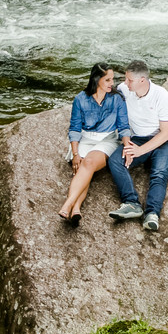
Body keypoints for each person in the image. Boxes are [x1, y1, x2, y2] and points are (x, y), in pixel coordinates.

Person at [106, 60, 168, 232]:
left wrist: (139, 151)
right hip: (138, 137)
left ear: (142, 80)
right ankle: (131, 203)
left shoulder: (162, 97)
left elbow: (165, 133)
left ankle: (152, 214)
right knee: (115, 160)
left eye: (129, 80)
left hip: (164, 141)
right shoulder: (125, 89)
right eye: (125, 79)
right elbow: (103, 93)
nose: (125, 83)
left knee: (159, 174)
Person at [61, 63, 131, 226]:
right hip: (85, 139)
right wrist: (75, 153)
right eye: (107, 80)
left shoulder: (117, 98)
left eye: (112, 79)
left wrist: (127, 148)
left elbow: (124, 127)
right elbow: (75, 128)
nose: (111, 83)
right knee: (81, 167)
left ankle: (67, 204)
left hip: (107, 139)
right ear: (96, 79)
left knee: (89, 162)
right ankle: (76, 208)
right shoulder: (80, 99)